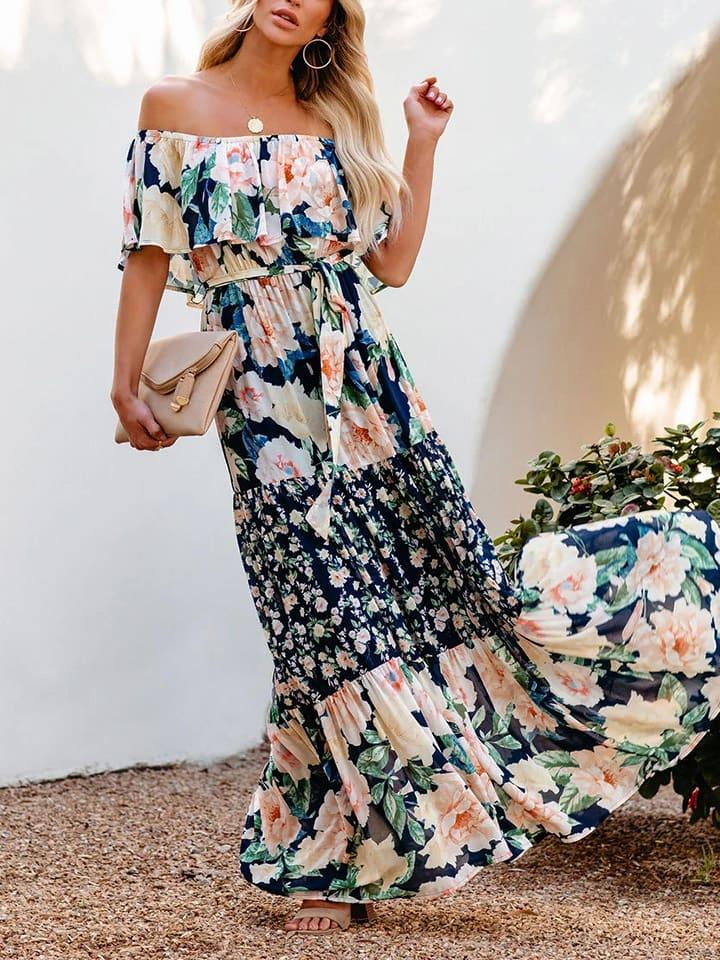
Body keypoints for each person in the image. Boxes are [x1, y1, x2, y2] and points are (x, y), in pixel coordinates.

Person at [111, 0, 720, 938]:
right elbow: (149, 253)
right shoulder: (172, 105)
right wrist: (125, 385)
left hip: (370, 389)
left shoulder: (331, 118)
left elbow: (390, 264)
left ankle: (664, 582)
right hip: (264, 401)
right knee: (314, 614)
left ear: (330, 18)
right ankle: (333, 855)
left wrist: (421, 143)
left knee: (456, 581)